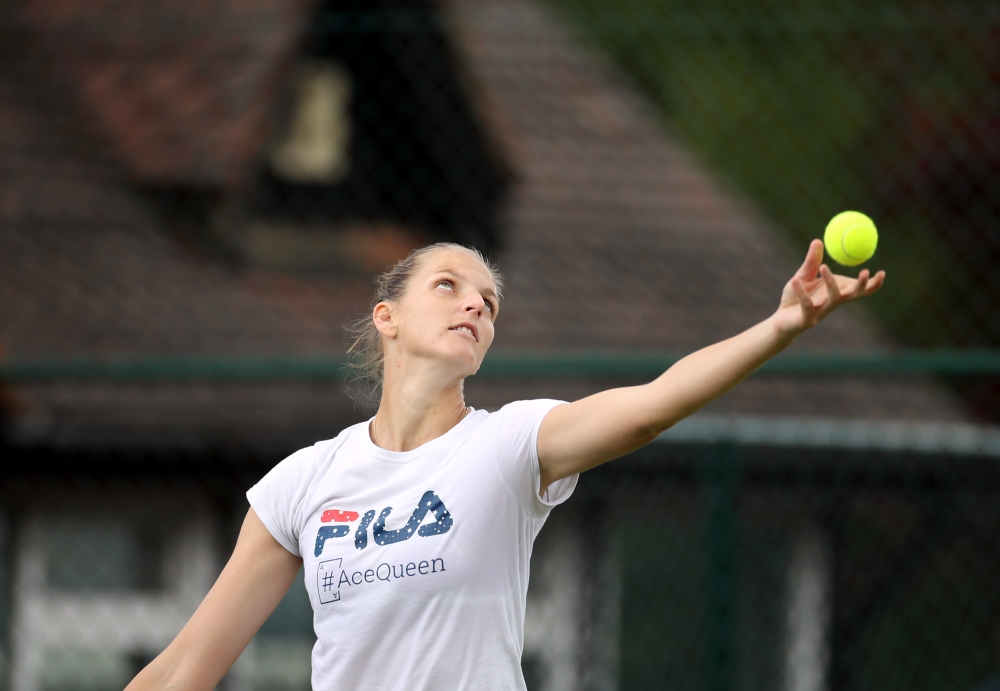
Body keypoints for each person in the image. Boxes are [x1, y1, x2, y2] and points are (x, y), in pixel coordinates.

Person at [124, 240, 883, 691]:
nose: (475, 305)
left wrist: (780, 325)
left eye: (488, 301)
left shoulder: (509, 446)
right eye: (448, 286)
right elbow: (185, 665)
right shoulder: (305, 481)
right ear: (386, 317)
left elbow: (653, 404)